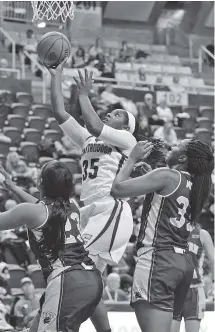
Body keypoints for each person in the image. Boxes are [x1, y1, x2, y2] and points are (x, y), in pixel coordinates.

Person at [47, 60, 138, 332]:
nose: (112, 112)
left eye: (119, 113)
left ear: (127, 127)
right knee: (89, 276)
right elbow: (59, 112)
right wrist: (57, 75)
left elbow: (97, 126)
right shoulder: (88, 139)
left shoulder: (127, 143)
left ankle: (63, 322)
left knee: (76, 266)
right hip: (90, 211)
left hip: (111, 210)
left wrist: (84, 95)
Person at [111, 139, 214, 332]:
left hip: (159, 260)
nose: (171, 147)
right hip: (183, 264)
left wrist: (132, 158)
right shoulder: (198, 186)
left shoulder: (167, 176)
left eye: (176, 146)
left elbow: (116, 190)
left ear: (182, 158)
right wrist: (150, 175)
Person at [0, 162, 103, 332]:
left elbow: (32, 210)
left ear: (40, 182)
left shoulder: (32, 211)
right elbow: (39, 205)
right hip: (91, 279)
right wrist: (13, 188)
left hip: (67, 280)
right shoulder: (71, 205)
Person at [171, 224, 214, 332]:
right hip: (173, 289)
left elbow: (213, 260)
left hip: (194, 289)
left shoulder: (201, 234)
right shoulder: (169, 231)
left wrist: (214, 282)